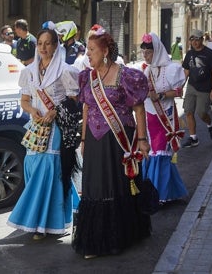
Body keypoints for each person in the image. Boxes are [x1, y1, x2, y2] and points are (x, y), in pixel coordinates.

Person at [72, 28, 151, 259]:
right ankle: (96, 239)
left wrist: (143, 140)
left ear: (105, 51)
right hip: (95, 142)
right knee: (94, 187)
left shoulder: (126, 76)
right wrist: (84, 138)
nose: (88, 55)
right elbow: (87, 107)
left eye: (92, 50)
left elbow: (139, 110)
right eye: (87, 50)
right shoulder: (88, 77)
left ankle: (122, 236)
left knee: (117, 185)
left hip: (119, 141)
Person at [7, 29, 80, 239]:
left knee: (48, 169)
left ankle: (42, 223)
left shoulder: (65, 70)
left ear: (56, 46)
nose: (43, 48)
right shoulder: (29, 71)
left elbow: (74, 101)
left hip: (56, 129)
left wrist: (55, 111)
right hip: (36, 128)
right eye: (40, 43)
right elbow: (25, 101)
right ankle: (45, 216)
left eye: (48, 43)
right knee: (32, 167)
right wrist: (33, 112)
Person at [139, 32, 188, 204]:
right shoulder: (146, 70)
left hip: (165, 117)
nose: (145, 55)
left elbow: (178, 91)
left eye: (149, 52)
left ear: (157, 51)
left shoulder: (172, 68)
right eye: (143, 52)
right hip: (149, 116)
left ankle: (158, 194)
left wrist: (160, 95)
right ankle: (167, 191)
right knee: (153, 151)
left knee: (161, 152)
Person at [181, 29, 212, 148]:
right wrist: (180, 86)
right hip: (192, 86)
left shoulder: (209, 53)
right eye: (192, 39)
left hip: (205, 88)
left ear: (202, 40)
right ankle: (193, 138)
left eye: (196, 39)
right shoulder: (189, 54)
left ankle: (210, 124)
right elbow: (186, 72)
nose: (194, 42)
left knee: (201, 113)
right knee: (188, 111)